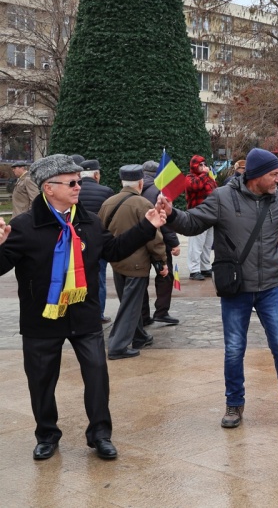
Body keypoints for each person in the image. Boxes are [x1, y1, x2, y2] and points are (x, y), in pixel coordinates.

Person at [158, 148, 278, 429]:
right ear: (258, 175)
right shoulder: (222, 197)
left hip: (269, 288)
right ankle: (234, 405)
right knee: (234, 349)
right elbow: (192, 223)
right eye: (274, 174)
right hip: (236, 287)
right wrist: (172, 213)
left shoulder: (276, 199)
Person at [0, 154, 167, 461]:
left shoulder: (88, 221)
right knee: (41, 382)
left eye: (79, 181)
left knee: (97, 375)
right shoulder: (23, 226)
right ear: (49, 188)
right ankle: (47, 434)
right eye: (72, 182)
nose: (80, 186)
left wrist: (148, 226)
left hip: (83, 315)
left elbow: (113, 250)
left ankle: (100, 434)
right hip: (42, 319)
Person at [99, 165, 168, 359]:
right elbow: (154, 237)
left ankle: (139, 336)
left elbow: (101, 231)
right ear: (140, 182)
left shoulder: (108, 203)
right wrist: (162, 261)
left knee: (130, 302)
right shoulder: (143, 204)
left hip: (117, 261)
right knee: (130, 305)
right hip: (137, 263)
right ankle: (117, 346)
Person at [140, 160, 181, 326]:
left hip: (139, 242)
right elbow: (164, 221)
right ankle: (161, 311)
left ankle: (143, 315)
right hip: (158, 242)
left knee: (141, 279)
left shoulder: (135, 189)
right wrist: (174, 243)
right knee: (165, 275)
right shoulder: (160, 192)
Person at [77, 159, 115, 322]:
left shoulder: (74, 190)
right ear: (96, 175)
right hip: (98, 241)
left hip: (75, 241)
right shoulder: (106, 191)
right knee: (99, 279)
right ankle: (98, 314)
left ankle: (78, 312)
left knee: (76, 277)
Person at [185, 155, 216, 280]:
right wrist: (204, 174)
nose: (204, 167)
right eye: (200, 165)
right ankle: (194, 269)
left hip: (210, 214)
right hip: (197, 214)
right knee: (196, 244)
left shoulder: (208, 178)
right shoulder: (189, 178)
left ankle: (205, 266)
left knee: (207, 244)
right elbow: (195, 186)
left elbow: (215, 190)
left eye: (204, 164)